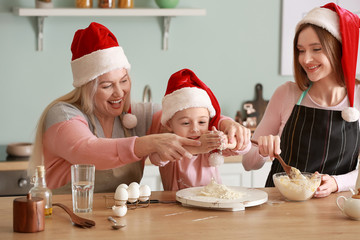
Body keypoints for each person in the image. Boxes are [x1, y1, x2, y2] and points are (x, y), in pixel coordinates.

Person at [28, 22, 249, 193]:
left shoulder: (137, 116)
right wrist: (148, 143)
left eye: (123, 81)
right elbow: (86, 151)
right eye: (107, 86)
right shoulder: (62, 114)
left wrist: (224, 122)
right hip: (63, 216)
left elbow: (184, 114)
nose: (119, 93)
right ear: (87, 88)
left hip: (119, 218)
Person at [242, 3, 360, 198]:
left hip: (335, 209)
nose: (306, 59)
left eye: (316, 49)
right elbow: (248, 163)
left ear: (338, 49)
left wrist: (336, 182)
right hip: (280, 205)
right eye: (301, 50)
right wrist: (263, 149)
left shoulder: (357, 97)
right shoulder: (287, 93)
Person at [148, 69, 251, 190]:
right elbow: (155, 159)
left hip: (212, 202)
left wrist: (225, 142)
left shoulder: (211, 141)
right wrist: (198, 147)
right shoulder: (168, 143)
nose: (195, 129)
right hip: (175, 204)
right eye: (186, 123)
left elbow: (246, 147)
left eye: (202, 122)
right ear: (169, 124)